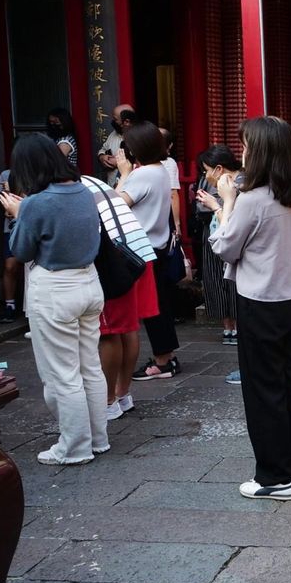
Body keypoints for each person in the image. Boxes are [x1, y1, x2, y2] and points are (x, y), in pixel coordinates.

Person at [209, 116, 291, 500]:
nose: (243, 153)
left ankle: (275, 476)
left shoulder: (251, 200)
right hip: (290, 298)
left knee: (263, 390)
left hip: (260, 301)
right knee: (285, 384)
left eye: (247, 147)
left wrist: (227, 203)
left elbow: (224, 246)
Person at [0, 134, 107, 465]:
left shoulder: (36, 203)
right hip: (89, 283)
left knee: (63, 374)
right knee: (90, 366)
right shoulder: (85, 191)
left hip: (55, 289)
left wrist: (19, 213)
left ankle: (74, 446)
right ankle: (97, 437)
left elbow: (20, 250)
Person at [78, 173, 158, 421]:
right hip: (136, 250)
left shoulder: (69, 191)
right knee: (128, 327)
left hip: (115, 258)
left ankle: (109, 401)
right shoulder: (89, 180)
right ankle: (123, 394)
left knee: (110, 332)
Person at [115, 121, 182, 381]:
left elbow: (116, 204)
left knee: (152, 309)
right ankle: (167, 358)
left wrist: (122, 174)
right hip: (156, 246)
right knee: (159, 305)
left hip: (140, 250)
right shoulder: (161, 170)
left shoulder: (142, 174)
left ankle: (162, 362)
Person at [195, 145, 240, 344]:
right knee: (215, 279)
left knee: (232, 282)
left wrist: (215, 205)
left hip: (228, 238)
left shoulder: (237, 184)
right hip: (212, 234)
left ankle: (238, 325)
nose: (206, 174)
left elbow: (231, 226)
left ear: (219, 168)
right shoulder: (211, 181)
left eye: (207, 169)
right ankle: (227, 325)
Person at [0, 170, 21, 323]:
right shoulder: (6, 174)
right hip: (11, 226)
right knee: (10, 265)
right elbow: (0, 200)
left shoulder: (38, 172)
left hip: (32, 223)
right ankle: (9, 304)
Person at [98, 105, 135, 185]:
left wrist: (119, 162)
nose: (113, 122)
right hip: (112, 184)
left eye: (115, 119)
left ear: (126, 122)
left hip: (130, 186)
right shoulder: (113, 134)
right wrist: (102, 157)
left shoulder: (140, 137)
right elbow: (103, 149)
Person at [159, 127, 183, 239]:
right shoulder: (168, 163)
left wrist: (176, 224)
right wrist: (177, 224)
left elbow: (172, 194)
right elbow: (172, 194)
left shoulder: (168, 163)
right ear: (170, 145)